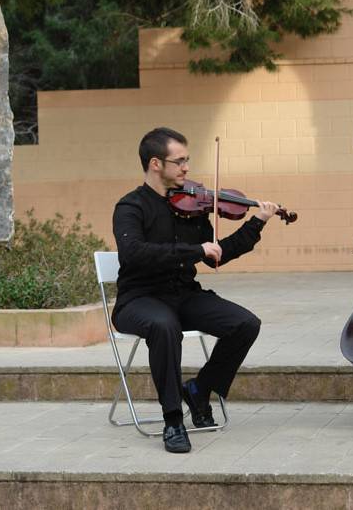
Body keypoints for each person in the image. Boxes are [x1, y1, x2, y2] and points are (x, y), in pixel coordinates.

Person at [112, 127, 279, 453]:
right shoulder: (130, 207)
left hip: (183, 294)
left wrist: (257, 222)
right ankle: (173, 419)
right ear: (156, 164)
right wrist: (195, 251)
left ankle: (201, 390)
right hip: (139, 299)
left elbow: (218, 254)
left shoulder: (194, 205)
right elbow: (135, 253)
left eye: (187, 160)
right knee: (164, 326)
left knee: (245, 324)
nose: (187, 168)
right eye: (180, 161)